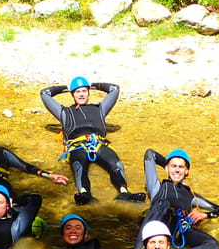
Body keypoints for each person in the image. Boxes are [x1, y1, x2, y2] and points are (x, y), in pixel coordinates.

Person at [40, 76, 145, 205]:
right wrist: (67, 88)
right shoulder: (65, 113)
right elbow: (44, 94)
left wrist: (92, 84)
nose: (81, 94)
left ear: (89, 92)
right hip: (78, 146)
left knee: (115, 164)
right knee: (80, 168)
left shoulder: (100, 109)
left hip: (99, 143)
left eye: (84, 91)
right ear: (72, 94)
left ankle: (124, 193)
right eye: (77, 92)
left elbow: (114, 89)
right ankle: (85, 194)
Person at [120, 148, 219, 249]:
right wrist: (167, 163)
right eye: (173, 166)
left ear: (186, 171)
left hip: (177, 233)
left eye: (181, 167)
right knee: (163, 204)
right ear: (167, 168)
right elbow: (149, 154)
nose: (177, 170)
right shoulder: (156, 187)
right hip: (155, 228)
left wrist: (205, 215)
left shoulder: (191, 196)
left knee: (213, 245)